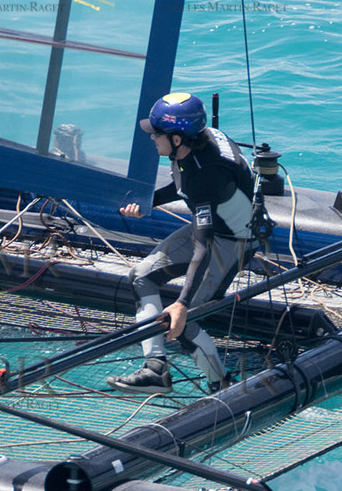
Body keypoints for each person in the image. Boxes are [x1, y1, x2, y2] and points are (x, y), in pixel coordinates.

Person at [107, 92, 254, 394]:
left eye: (157, 134)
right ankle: (155, 369)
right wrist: (149, 201)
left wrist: (183, 304)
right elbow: (183, 185)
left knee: (183, 321)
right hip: (215, 223)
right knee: (141, 277)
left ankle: (222, 384)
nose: (152, 138)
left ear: (177, 139)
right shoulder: (198, 142)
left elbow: (204, 244)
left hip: (232, 241)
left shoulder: (206, 174)